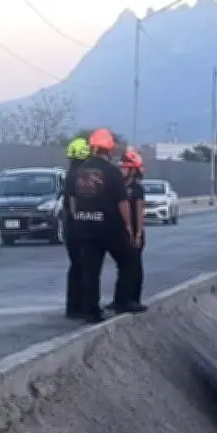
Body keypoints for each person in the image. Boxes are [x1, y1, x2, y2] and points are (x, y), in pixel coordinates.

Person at [67, 128, 145, 323]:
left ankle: (91, 311)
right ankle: (123, 301)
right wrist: (128, 227)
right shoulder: (112, 172)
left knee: (90, 270)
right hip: (108, 227)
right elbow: (122, 202)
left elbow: (73, 199)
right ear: (109, 149)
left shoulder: (80, 171)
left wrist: (79, 217)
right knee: (129, 259)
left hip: (85, 226)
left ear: (92, 147)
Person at [63, 137, 89, 318]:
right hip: (78, 227)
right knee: (83, 266)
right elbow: (74, 203)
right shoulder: (79, 176)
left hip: (69, 228)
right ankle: (78, 306)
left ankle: (73, 305)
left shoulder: (69, 174)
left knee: (75, 266)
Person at [119, 148, 146, 306]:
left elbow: (139, 213)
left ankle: (134, 299)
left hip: (134, 233)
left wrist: (137, 234)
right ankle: (121, 299)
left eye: (125, 167)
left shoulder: (136, 189)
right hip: (122, 233)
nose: (122, 169)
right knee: (124, 267)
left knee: (134, 266)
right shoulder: (120, 187)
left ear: (132, 169)